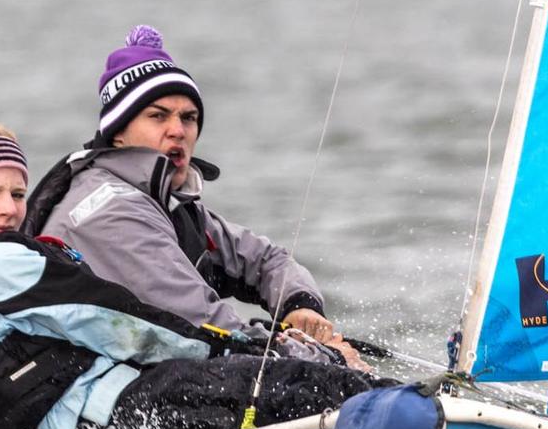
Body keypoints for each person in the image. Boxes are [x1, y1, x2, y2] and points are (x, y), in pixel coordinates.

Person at [0, 99, 381, 429]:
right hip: (124, 423)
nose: (10, 207)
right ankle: (423, 428)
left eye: (17, 192)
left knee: (279, 427)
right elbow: (121, 321)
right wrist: (259, 353)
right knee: (310, 386)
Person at [26, 25, 360, 365]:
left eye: (189, 117)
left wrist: (299, 304)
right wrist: (323, 358)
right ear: (118, 133)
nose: (178, 130)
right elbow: (201, 323)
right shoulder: (110, 208)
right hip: (101, 398)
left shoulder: (168, 202)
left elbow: (265, 259)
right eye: (157, 116)